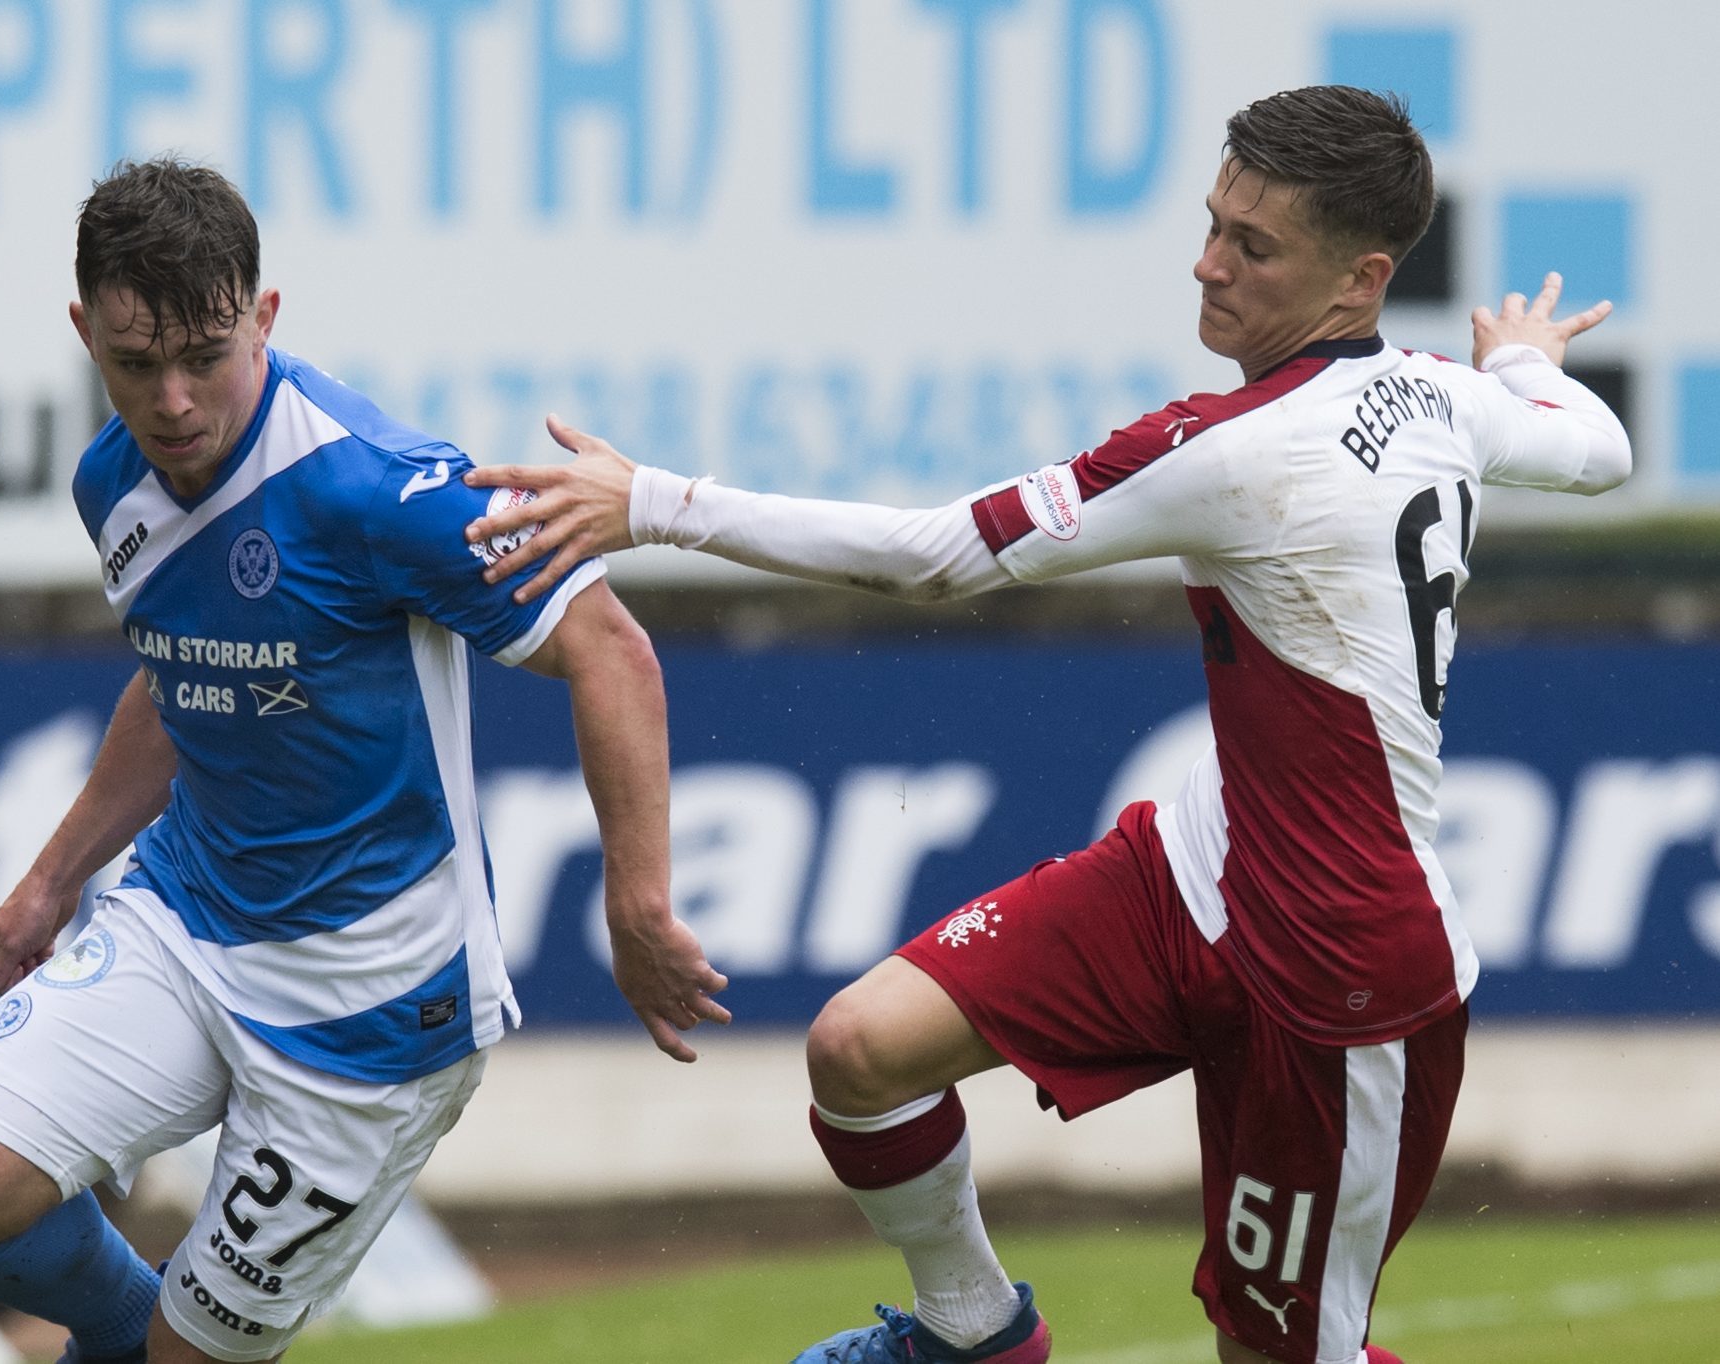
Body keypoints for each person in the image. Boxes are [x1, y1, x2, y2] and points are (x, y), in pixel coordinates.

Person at [460, 86, 1631, 1364]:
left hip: (1344, 974)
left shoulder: (1234, 447)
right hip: (1201, 868)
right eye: (1211, 222)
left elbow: (933, 556)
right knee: (861, 1050)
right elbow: (1597, 445)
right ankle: (975, 1335)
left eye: (1253, 244)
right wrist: (1520, 359)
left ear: (1358, 278)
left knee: (1284, 1354)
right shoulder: (1443, 400)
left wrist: (657, 501)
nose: (1207, 260)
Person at [0, 157, 730, 1364]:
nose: (170, 401)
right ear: (82, 333)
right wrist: (54, 878)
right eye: (131, 364)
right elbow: (182, 677)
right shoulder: (111, 480)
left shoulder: (373, 487)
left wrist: (635, 901)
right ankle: (125, 1324)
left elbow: (610, 648)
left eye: (204, 356)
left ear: (264, 318)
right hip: (185, 920)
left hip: (372, 1011)